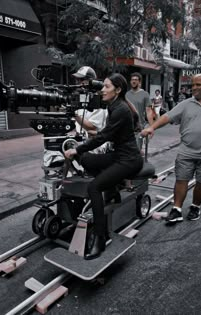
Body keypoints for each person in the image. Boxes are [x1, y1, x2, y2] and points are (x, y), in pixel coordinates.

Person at [64, 73, 143, 259]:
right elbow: (103, 134)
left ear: (118, 90)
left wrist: (77, 149)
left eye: (106, 87)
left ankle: (100, 238)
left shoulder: (121, 109)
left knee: (94, 186)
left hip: (129, 160)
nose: (102, 90)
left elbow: (103, 136)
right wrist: (81, 150)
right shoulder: (114, 106)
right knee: (86, 159)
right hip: (118, 156)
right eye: (103, 86)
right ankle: (113, 191)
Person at [141, 73, 201, 223]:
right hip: (186, 151)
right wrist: (152, 127)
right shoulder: (187, 103)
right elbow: (167, 117)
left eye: (198, 85)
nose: (193, 88)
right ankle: (177, 210)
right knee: (181, 180)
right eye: (192, 85)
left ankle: (195, 206)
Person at [72, 66, 107, 138]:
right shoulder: (82, 97)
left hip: (95, 145)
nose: (78, 82)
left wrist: (73, 114)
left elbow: (92, 127)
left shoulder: (97, 99)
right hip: (82, 142)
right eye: (77, 79)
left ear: (91, 81)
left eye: (81, 79)